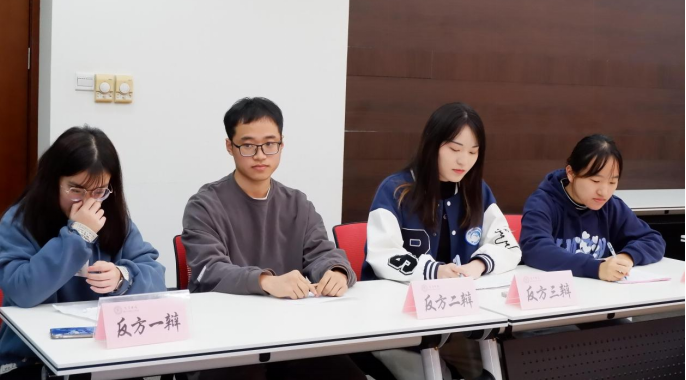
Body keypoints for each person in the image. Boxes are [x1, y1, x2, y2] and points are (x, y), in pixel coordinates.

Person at [182, 97, 365, 380]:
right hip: (226, 339)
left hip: (292, 336)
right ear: (229, 146)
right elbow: (209, 270)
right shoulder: (204, 205)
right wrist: (266, 281)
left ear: (281, 144)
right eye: (248, 145)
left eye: (270, 144)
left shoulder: (297, 204)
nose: (260, 155)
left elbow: (322, 252)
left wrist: (336, 271)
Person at [362, 102, 521, 380]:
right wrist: (434, 271)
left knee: (500, 366)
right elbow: (382, 255)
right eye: (454, 149)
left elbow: (507, 246)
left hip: (459, 322)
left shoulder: (477, 190)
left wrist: (479, 265)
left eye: (473, 152)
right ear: (431, 144)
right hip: (400, 324)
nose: (463, 161)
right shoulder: (395, 190)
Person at [0, 126, 166, 379]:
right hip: (32, 359)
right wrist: (79, 234)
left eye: (99, 192)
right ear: (52, 181)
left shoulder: (115, 220)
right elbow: (23, 291)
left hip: (102, 356)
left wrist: (123, 277)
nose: (88, 202)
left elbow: (156, 279)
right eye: (76, 190)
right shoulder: (19, 221)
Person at [520, 134, 665, 281]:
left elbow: (653, 239)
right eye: (595, 181)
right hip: (560, 290)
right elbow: (534, 248)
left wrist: (626, 257)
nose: (604, 192)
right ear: (571, 173)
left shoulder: (611, 206)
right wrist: (596, 268)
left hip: (599, 291)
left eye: (612, 182)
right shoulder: (543, 203)